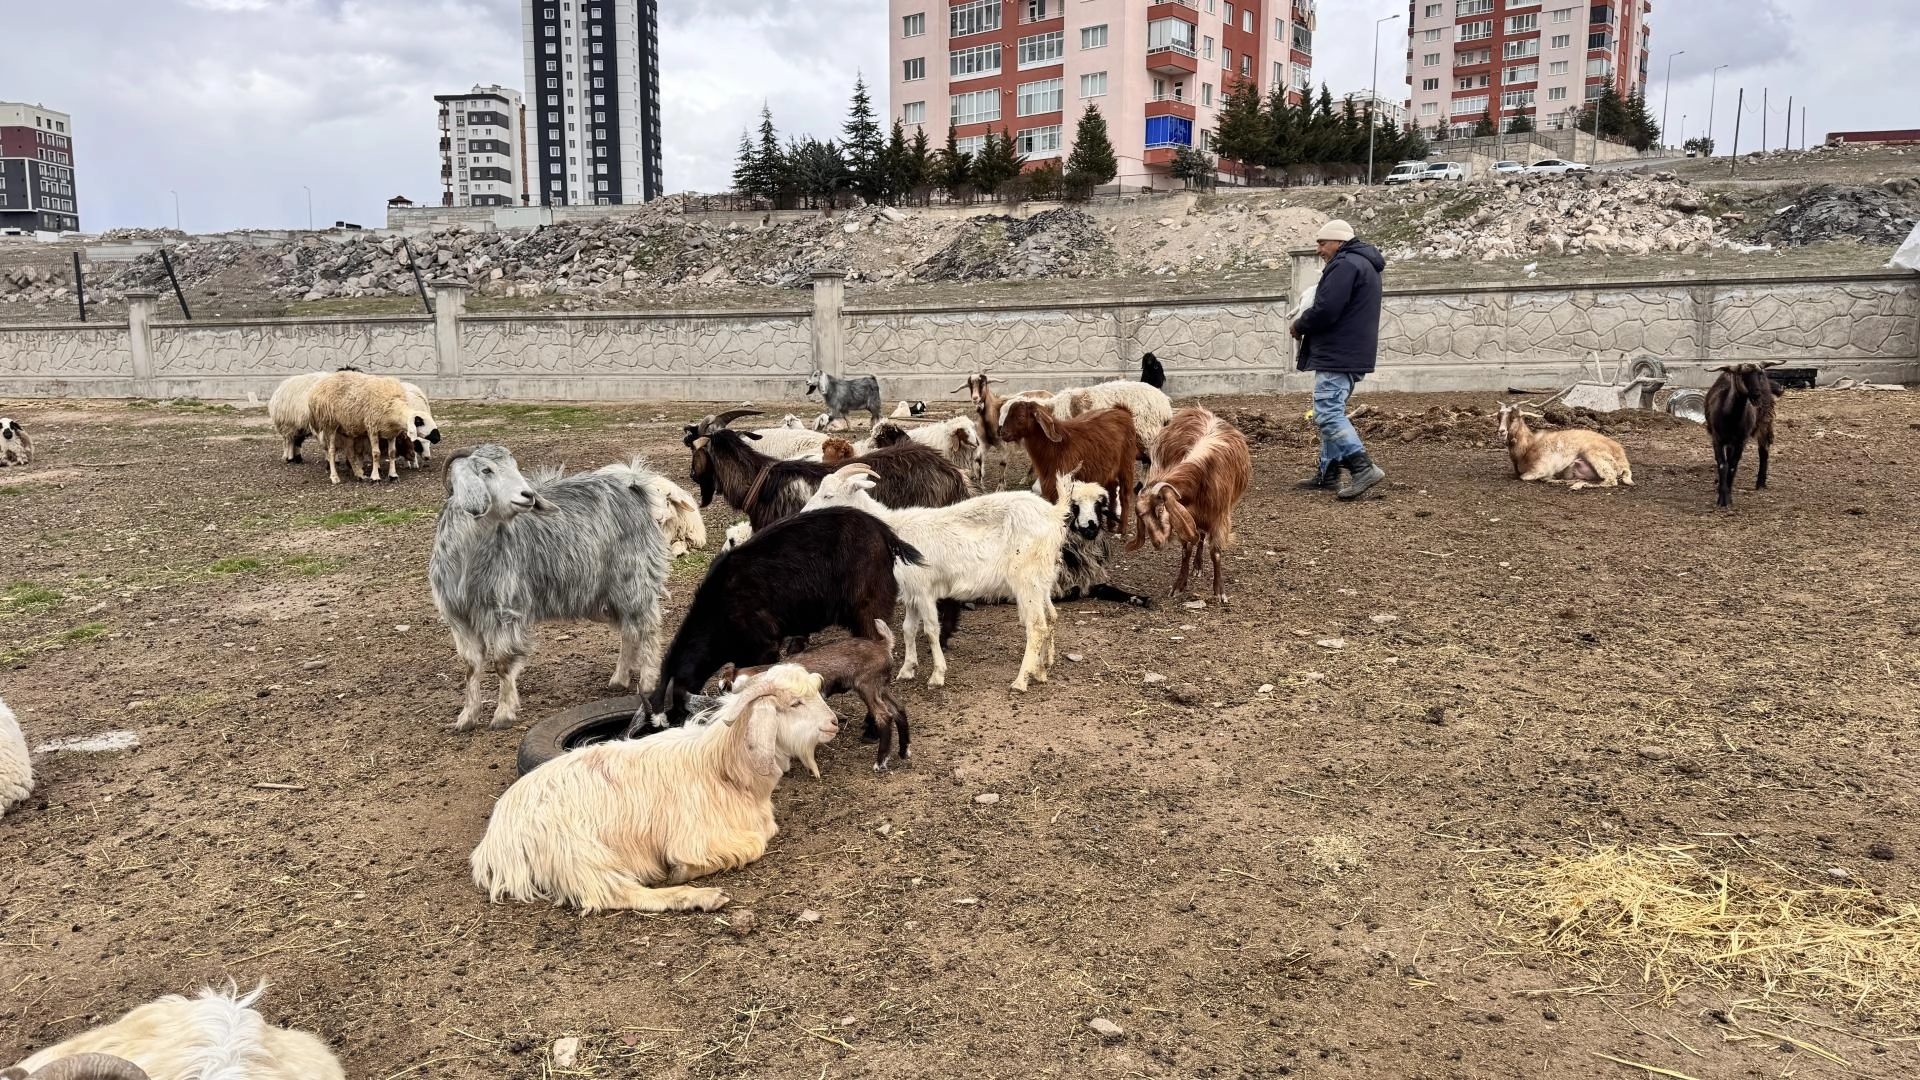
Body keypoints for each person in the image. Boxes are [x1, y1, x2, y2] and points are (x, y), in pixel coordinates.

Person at [1290, 219, 1387, 500]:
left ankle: (1363, 468)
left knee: (1327, 412)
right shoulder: (1363, 264)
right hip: (1350, 351)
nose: (1319, 249)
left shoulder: (1345, 264)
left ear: (1339, 241)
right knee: (1332, 410)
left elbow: (1327, 309)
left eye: (1322, 243)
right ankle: (1329, 471)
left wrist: (1300, 325)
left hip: (1337, 353)